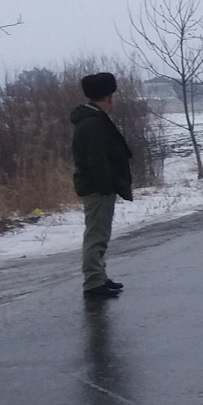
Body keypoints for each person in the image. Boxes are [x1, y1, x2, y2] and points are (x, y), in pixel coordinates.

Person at [70, 72, 132, 300]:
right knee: (96, 235)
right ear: (107, 99)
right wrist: (106, 185)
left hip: (97, 186)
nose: (112, 101)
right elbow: (97, 159)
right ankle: (94, 281)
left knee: (100, 234)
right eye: (111, 97)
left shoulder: (91, 120)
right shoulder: (93, 124)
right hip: (96, 188)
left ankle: (99, 276)